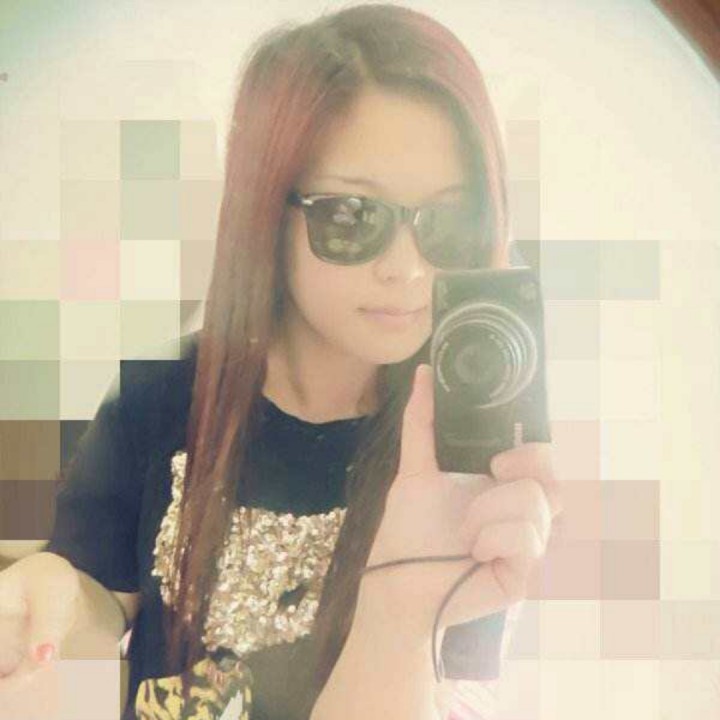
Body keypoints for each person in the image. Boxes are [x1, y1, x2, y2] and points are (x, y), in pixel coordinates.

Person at [0, 3, 562, 719]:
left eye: (448, 221)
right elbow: (99, 600)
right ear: (269, 210)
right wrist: (53, 596)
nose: (408, 268)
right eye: (352, 217)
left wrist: (403, 611)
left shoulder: (463, 454)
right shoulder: (162, 396)